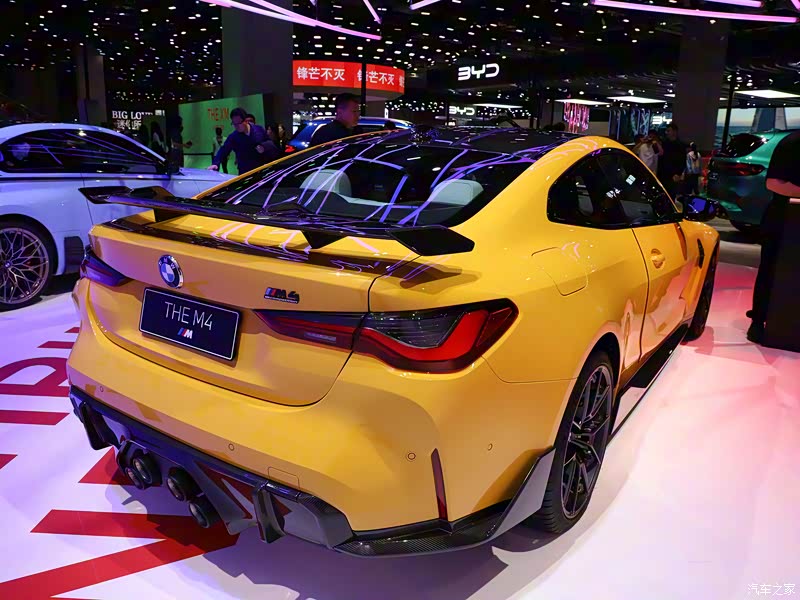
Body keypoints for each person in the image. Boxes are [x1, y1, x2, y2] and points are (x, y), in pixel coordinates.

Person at [746, 130, 800, 343]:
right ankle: (758, 321)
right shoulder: (792, 143)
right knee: (770, 269)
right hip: (784, 218)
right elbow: (773, 183)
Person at [208, 107, 279, 175]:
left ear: (246, 121)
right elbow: (223, 150)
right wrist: (215, 163)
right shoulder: (234, 137)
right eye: (234, 124)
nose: (236, 126)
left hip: (260, 170)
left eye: (239, 123)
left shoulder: (258, 129)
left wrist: (264, 147)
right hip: (244, 173)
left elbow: (270, 144)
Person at [657, 123, 688, 198]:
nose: (666, 133)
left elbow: (682, 161)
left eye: (668, 131)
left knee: (670, 196)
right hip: (662, 174)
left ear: (674, 132)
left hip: (673, 175)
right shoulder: (664, 143)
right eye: (666, 131)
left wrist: (678, 173)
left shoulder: (681, 145)